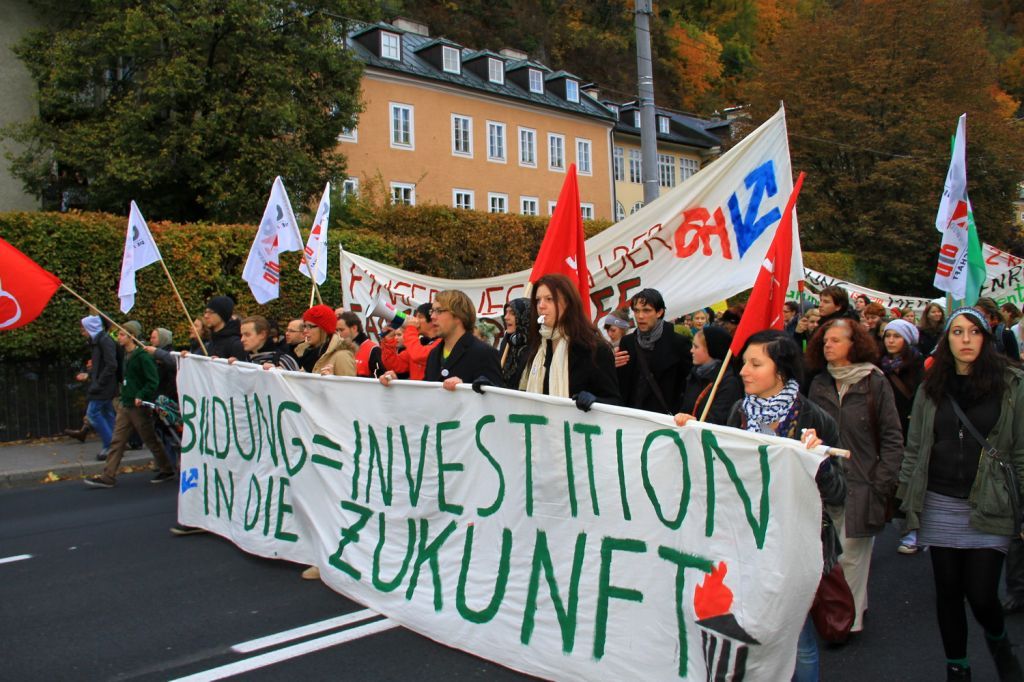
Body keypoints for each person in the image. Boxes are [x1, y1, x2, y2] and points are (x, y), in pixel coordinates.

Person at [897, 307, 1024, 681]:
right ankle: (958, 668)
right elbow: (915, 446)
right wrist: (904, 497)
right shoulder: (931, 387)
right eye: (957, 332)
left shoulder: (1011, 385)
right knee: (949, 591)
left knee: (982, 594)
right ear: (946, 340)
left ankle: (999, 641)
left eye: (974, 332)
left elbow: (1020, 451)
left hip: (991, 500)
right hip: (939, 500)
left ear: (987, 338)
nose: (965, 339)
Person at [725, 330, 846, 682]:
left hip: (796, 547)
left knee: (798, 638)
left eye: (755, 363)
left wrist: (818, 462)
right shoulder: (739, 413)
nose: (743, 371)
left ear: (780, 371)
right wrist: (688, 432)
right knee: (751, 634)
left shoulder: (815, 419)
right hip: (748, 544)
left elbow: (839, 493)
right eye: (744, 363)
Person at [806, 317, 904, 635]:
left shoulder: (874, 382)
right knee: (830, 553)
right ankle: (847, 611)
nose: (828, 345)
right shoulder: (819, 383)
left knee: (851, 555)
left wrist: (882, 482)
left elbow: (892, 437)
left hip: (864, 481)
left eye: (836, 340)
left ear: (854, 344)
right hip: (825, 482)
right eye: (825, 340)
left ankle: (847, 624)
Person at [83, 321, 176, 488]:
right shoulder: (126, 355)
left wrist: (141, 395)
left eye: (122, 335)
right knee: (117, 441)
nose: (118, 337)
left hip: (138, 406)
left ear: (131, 337)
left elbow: (152, 381)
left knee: (150, 439)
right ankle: (108, 476)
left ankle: (167, 468)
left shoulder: (143, 357)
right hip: (126, 404)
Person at [518, 273, 620, 407]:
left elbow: (614, 401)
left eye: (549, 299)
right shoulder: (535, 346)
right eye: (538, 300)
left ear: (568, 303)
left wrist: (595, 401)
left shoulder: (594, 349)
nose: (541, 305)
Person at [381, 289, 501, 391]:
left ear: (458, 315)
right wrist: (398, 383)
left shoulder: (484, 353)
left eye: (439, 311)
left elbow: (497, 397)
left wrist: (465, 388)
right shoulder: (434, 354)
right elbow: (427, 393)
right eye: (432, 311)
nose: (432, 316)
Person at [879, 319, 926, 555]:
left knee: (909, 478)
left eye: (896, 336)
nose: (890, 341)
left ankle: (912, 529)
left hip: (909, 427)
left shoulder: (918, 365)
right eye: (887, 336)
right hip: (885, 428)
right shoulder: (879, 364)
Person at [616, 288, 690, 414]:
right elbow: (619, 383)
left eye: (646, 310)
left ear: (659, 312)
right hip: (630, 416)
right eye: (636, 311)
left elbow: (689, 384)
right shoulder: (627, 342)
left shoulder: (678, 343)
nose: (640, 316)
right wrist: (612, 366)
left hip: (663, 418)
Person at [66, 315, 118, 460]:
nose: (82, 332)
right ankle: (116, 445)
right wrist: (90, 375)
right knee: (107, 413)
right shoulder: (100, 341)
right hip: (105, 385)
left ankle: (110, 445)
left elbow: (111, 365)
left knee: (93, 413)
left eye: (84, 329)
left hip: (103, 386)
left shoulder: (103, 341)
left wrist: (98, 382)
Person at [674, 325, 742, 426]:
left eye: (696, 347)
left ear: (711, 350)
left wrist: (694, 422)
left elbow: (718, 421)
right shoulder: (694, 374)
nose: (691, 350)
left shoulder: (728, 383)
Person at [380, 302, 440, 381]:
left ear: (432, 320)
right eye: (415, 317)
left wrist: (411, 328)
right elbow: (395, 364)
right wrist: (389, 340)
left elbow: (418, 355)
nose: (416, 320)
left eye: (420, 317)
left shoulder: (441, 342)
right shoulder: (421, 343)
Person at [294, 304, 357, 377]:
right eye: (304, 326)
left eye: (309, 326)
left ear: (323, 329)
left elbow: (348, 383)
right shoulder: (306, 353)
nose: (305, 331)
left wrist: (331, 379)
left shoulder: (342, 356)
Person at [235, 315, 300, 371]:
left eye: (247, 335)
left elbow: (294, 381)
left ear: (262, 334)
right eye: (242, 335)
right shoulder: (244, 359)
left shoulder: (283, 360)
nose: (242, 339)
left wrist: (279, 373)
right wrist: (235, 366)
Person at [337, 311, 384, 378]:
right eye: (337, 330)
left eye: (341, 330)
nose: (339, 334)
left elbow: (379, 377)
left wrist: (357, 377)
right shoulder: (338, 348)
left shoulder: (373, 349)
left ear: (354, 328)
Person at [977, 297, 1021, 362]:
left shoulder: (1005, 334)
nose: (979, 320)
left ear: (993, 316)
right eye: (976, 316)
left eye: (983, 316)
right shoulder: (974, 336)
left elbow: (1015, 363)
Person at [498, 298, 531, 389]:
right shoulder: (507, 341)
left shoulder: (536, 347)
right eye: (506, 313)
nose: (506, 317)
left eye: (512, 313)